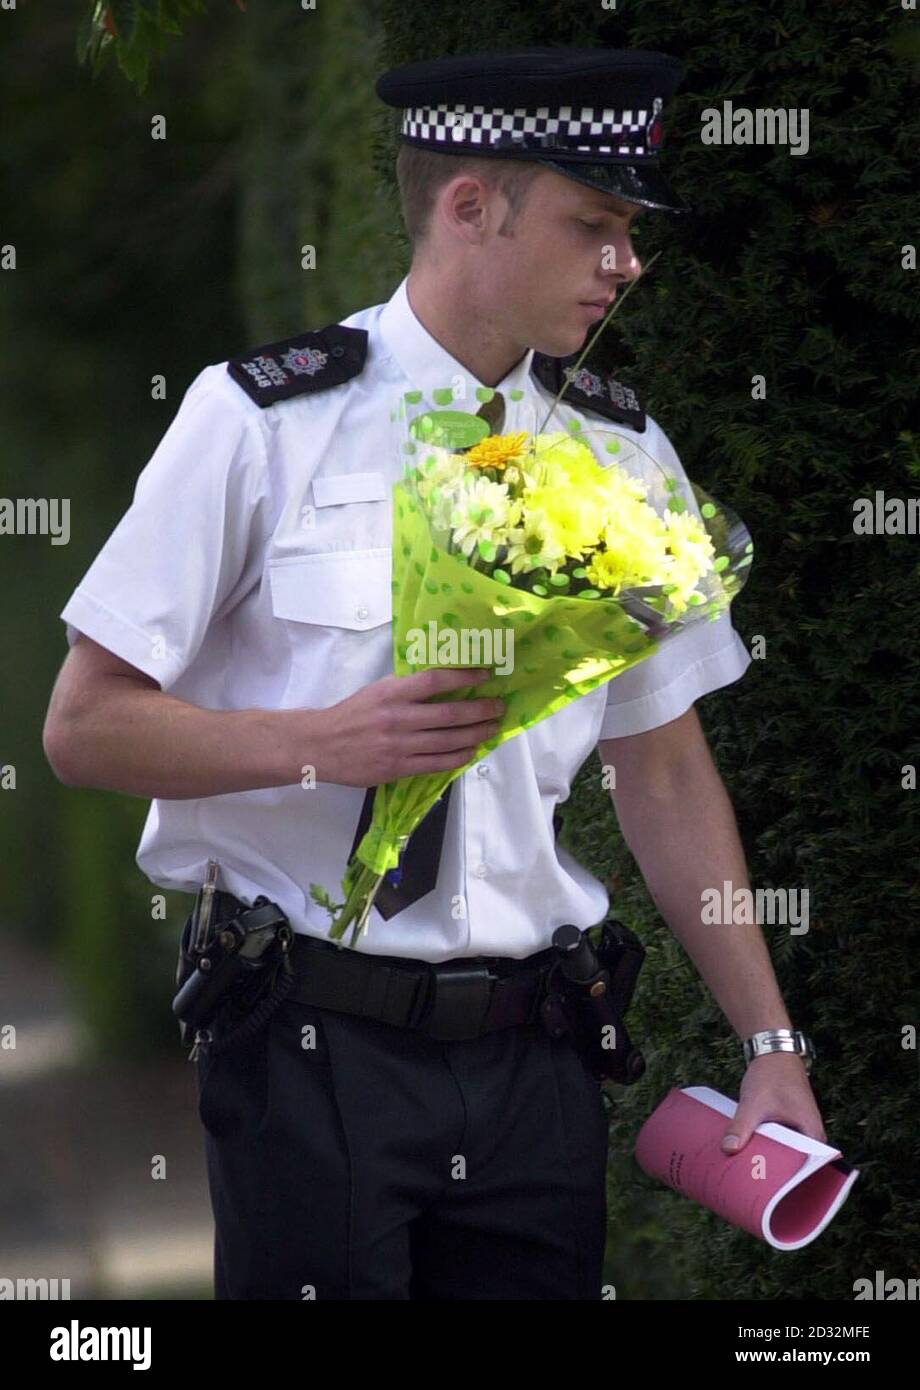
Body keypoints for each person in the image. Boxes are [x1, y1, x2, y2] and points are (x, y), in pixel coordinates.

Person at [42, 46, 825, 1301]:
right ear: (469, 207)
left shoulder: (625, 457)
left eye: (628, 230)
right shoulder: (257, 421)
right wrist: (318, 743)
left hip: (538, 1058)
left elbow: (666, 774)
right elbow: (84, 729)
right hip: (306, 1048)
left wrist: (769, 1042)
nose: (625, 262)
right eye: (594, 224)